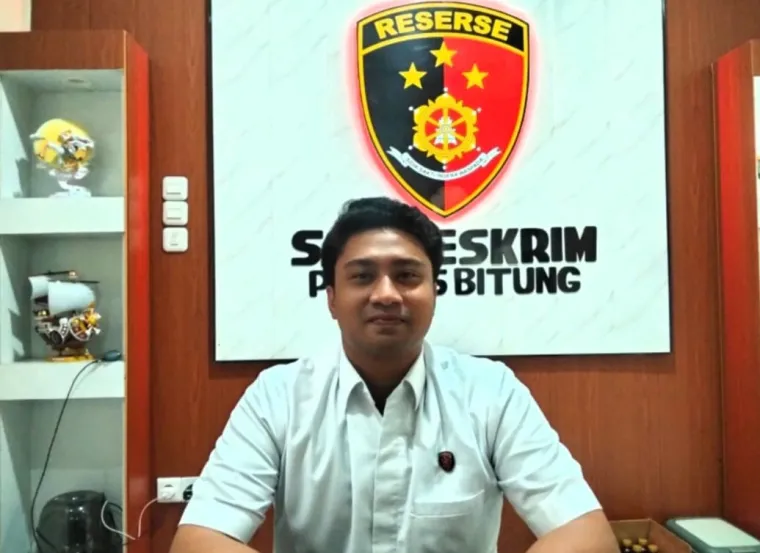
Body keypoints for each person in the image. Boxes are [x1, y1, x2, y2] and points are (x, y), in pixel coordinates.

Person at [169, 197, 617, 553]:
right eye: (362, 276)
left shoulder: (491, 393)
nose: (386, 294)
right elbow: (198, 540)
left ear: (435, 292)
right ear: (331, 298)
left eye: (406, 276)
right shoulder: (278, 397)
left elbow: (588, 536)